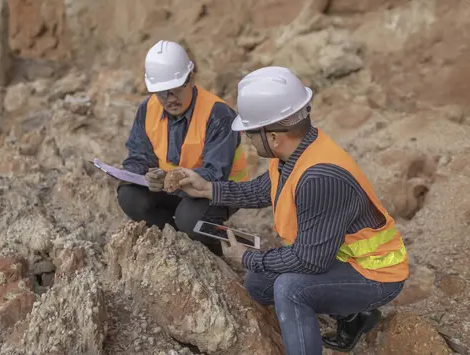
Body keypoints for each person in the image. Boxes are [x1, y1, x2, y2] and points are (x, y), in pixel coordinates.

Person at [176, 66, 409, 354]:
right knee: (259, 284)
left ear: (273, 136)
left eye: (250, 132)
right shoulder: (293, 155)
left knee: (290, 288)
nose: (247, 139)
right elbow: (261, 190)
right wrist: (206, 189)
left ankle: (347, 315)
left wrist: (248, 256)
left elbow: (311, 262)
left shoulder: (319, 177)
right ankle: (353, 315)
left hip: (376, 274)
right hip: (340, 258)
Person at [117, 40, 250, 256]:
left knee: (191, 219)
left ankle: (214, 246)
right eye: (162, 92)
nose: (170, 99)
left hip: (218, 190)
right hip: (175, 188)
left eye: (176, 89)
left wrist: (170, 179)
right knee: (129, 196)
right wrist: (138, 174)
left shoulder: (218, 115)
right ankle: (178, 237)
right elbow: (139, 155)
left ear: (191, 79)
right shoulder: (148, 109)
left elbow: (214, 174)